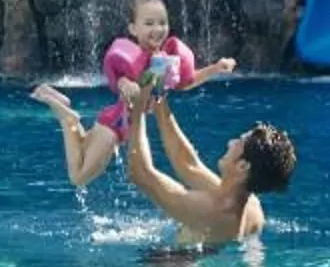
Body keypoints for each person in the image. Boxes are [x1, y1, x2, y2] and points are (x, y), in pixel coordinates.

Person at [29, 0, 235, 190]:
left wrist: (215, 68)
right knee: (78, 177)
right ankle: (67, 118)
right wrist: (127, 85)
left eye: (162, 22)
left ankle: (60, 104)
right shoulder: (133, 62)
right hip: (114, 127)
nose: (157, 28)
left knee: (81, 147)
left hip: (118, 126)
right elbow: (123, 82)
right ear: (133, 29)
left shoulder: (165, 60)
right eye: (149, 23)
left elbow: (186, 83)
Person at [125, 90, 297, 248]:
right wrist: (159, 98)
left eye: (238, 142)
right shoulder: (252, 206)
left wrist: (137, 110)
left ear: (242, 166)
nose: (230, 142)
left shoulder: (210, 211)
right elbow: (188, 165)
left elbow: (140, 173)